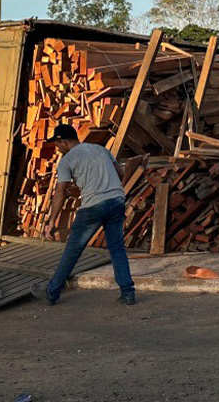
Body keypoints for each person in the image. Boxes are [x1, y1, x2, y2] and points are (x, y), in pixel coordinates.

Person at [30, 124, 136, 305]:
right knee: (117, 248)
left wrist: (52, 221)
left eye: (57, 145)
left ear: (63, 141)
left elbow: (60, 192)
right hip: (117, 200)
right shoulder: (101, 149)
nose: (57, 149)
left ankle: (51, 291)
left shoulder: (67, 160)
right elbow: (121, 173)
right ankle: (128, 293)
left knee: (73, 250)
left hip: (93, 206)